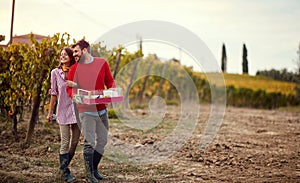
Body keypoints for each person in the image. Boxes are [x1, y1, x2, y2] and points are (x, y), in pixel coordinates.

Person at [67, 39, 115, 183]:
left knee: (102, 140)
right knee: (89, 143)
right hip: (85, 111)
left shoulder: (102, 63)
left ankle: (94, 169)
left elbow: (110, 81)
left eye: (76, 51)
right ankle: (89, 175)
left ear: (85, 50)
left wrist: (112, 90)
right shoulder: (74, 69)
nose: (73, 54)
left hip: (101, 110)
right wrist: (75, 97)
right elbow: (70, 89)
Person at [47, 47, 81, 183]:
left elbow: (85, 87)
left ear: (70, 57)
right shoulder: (55, 73)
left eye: (65, 55)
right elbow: (53, 93)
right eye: (61, 55)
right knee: (65, 142)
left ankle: (63, 168)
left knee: (74, 142)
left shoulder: (77, 70)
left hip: (77, 110)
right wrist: (50, 112)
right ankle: (65, 172)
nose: (62, 57)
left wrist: (76, 84)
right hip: (62, 111)